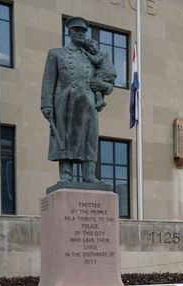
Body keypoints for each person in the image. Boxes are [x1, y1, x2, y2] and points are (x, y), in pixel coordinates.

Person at [40, 17, 116, 184]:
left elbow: (109, 86)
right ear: (69, 32)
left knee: (89, 138)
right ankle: (66, 175)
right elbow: (48, 81)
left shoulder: (93, 56)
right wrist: (46, 104)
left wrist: (102, 84)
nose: (80, 33)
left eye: (83, 31)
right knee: (65, 137)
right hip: (65, 102)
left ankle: (88, 174)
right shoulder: (56, 54)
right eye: (77, 30)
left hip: (89, 104)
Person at [82, 38, 116, 112]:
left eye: (92, 46)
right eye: (89, 48)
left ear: (97, 45)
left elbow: (95, 60)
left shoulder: (101, 53)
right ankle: (100, 101)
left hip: (106, 71)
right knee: (96, 83)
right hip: (107, 73)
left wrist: (86, 53)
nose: (91, 49)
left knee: (96, 82)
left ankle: (100, 101)